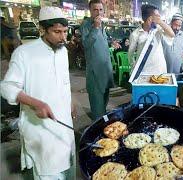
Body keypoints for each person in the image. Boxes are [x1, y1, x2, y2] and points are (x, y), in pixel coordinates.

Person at [0, 6, 76, 179]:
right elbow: (7, 87)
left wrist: (69, 100)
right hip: (40, 128)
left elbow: (64, 80)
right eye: (57, 32)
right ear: (42, 29)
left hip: (64, 123)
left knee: (68, 167)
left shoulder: (63, 51)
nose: (63, 37)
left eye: (65, 31)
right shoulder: (24, 53)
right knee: (48, 170)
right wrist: (36, 104)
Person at [80, 0, 114, 120]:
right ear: (90, 11)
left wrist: (112, 42)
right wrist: (95, 27)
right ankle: (97, 132)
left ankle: (104, 127)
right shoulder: (86, 25)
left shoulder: (102, 26)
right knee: (97, 107)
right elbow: (86, 44)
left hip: (105, 71)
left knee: (104, 104)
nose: (98, 12)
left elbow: (101, 43)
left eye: (100, 10)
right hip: (95, 73)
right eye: (95, 9)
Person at [128, 4, 174, 74]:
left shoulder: (158, 30)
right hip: (143, 72)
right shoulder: (136, 34)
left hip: (159, 70)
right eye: (157, 16)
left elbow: (171, 34)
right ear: (150, 19)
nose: (159, 18)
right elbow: (130, 54)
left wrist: (160, 22)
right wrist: (134, 68)